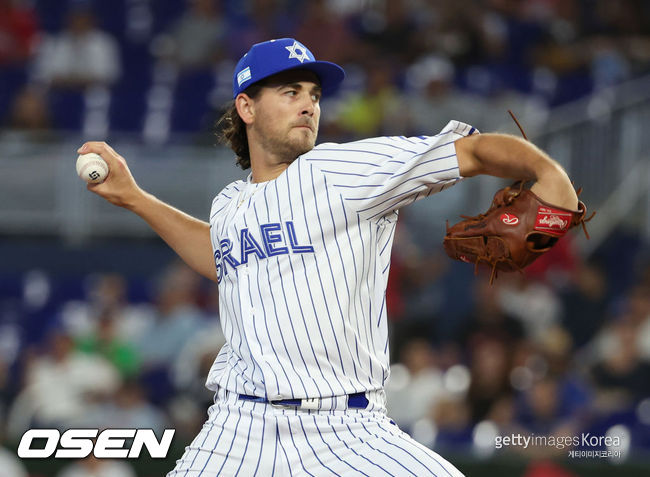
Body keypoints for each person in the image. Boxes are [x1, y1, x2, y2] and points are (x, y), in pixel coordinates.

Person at [78, 37, 579, 476]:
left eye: (314, 94)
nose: (308, 105)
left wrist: (546, 172)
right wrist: (134, 198)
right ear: (247, 108)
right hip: (237, 427)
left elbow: (471, 151)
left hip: (345, 429)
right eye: (290, 92)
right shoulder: (231, 202)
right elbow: (220, 257)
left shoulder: (343, 168)